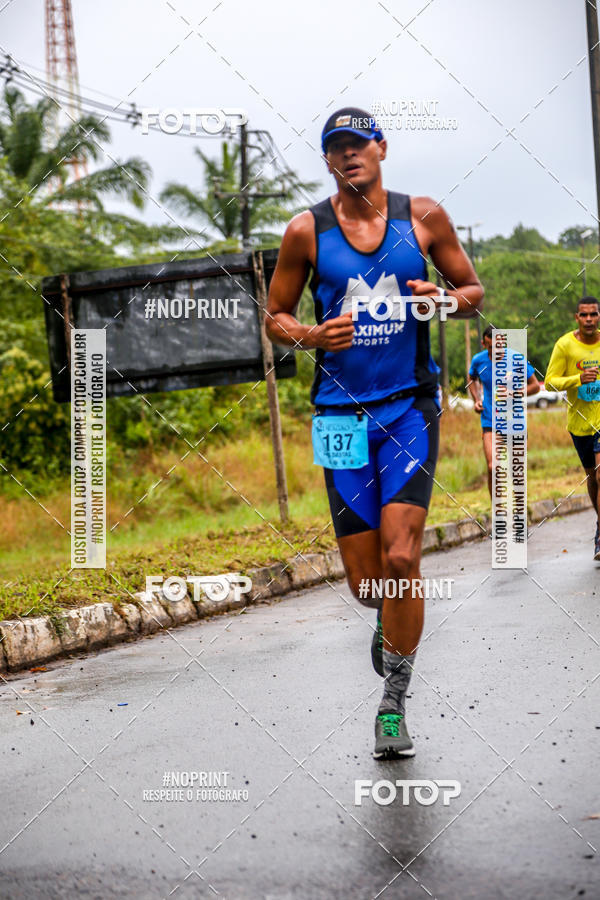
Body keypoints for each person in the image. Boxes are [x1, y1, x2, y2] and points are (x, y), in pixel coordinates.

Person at [265, 107, 483, 759]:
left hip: (409, 408)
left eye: (359, 144)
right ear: (327, 160)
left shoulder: (425, 217)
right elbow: (275, 315)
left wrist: (441, 301)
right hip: (338, 417)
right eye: (336, 148)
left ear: (382, 148)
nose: (349, 155)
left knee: (402, 558)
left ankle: (393, 704)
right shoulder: (306, 231)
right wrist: (311, 334)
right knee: (368, 587)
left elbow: (471, 290)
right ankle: (389, 620)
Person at [545, 296, 600, 560]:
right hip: (579, 424)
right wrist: (578, 378)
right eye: (584, 315)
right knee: (593, 478)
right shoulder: (565, 345)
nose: (589, 319)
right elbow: (549, 383)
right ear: (577, 317)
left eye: (593, 314)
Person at [468, 324, 539, 497]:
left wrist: (513, 393)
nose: (497, 350)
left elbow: (535, 386)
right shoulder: (478, 360)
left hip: (515, 421)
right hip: (490, 420)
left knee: (517, 472)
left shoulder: (516, 359)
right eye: (492, 347)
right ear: (484, 344)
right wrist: (477, 400)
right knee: (493, 467)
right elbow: (471, 378)